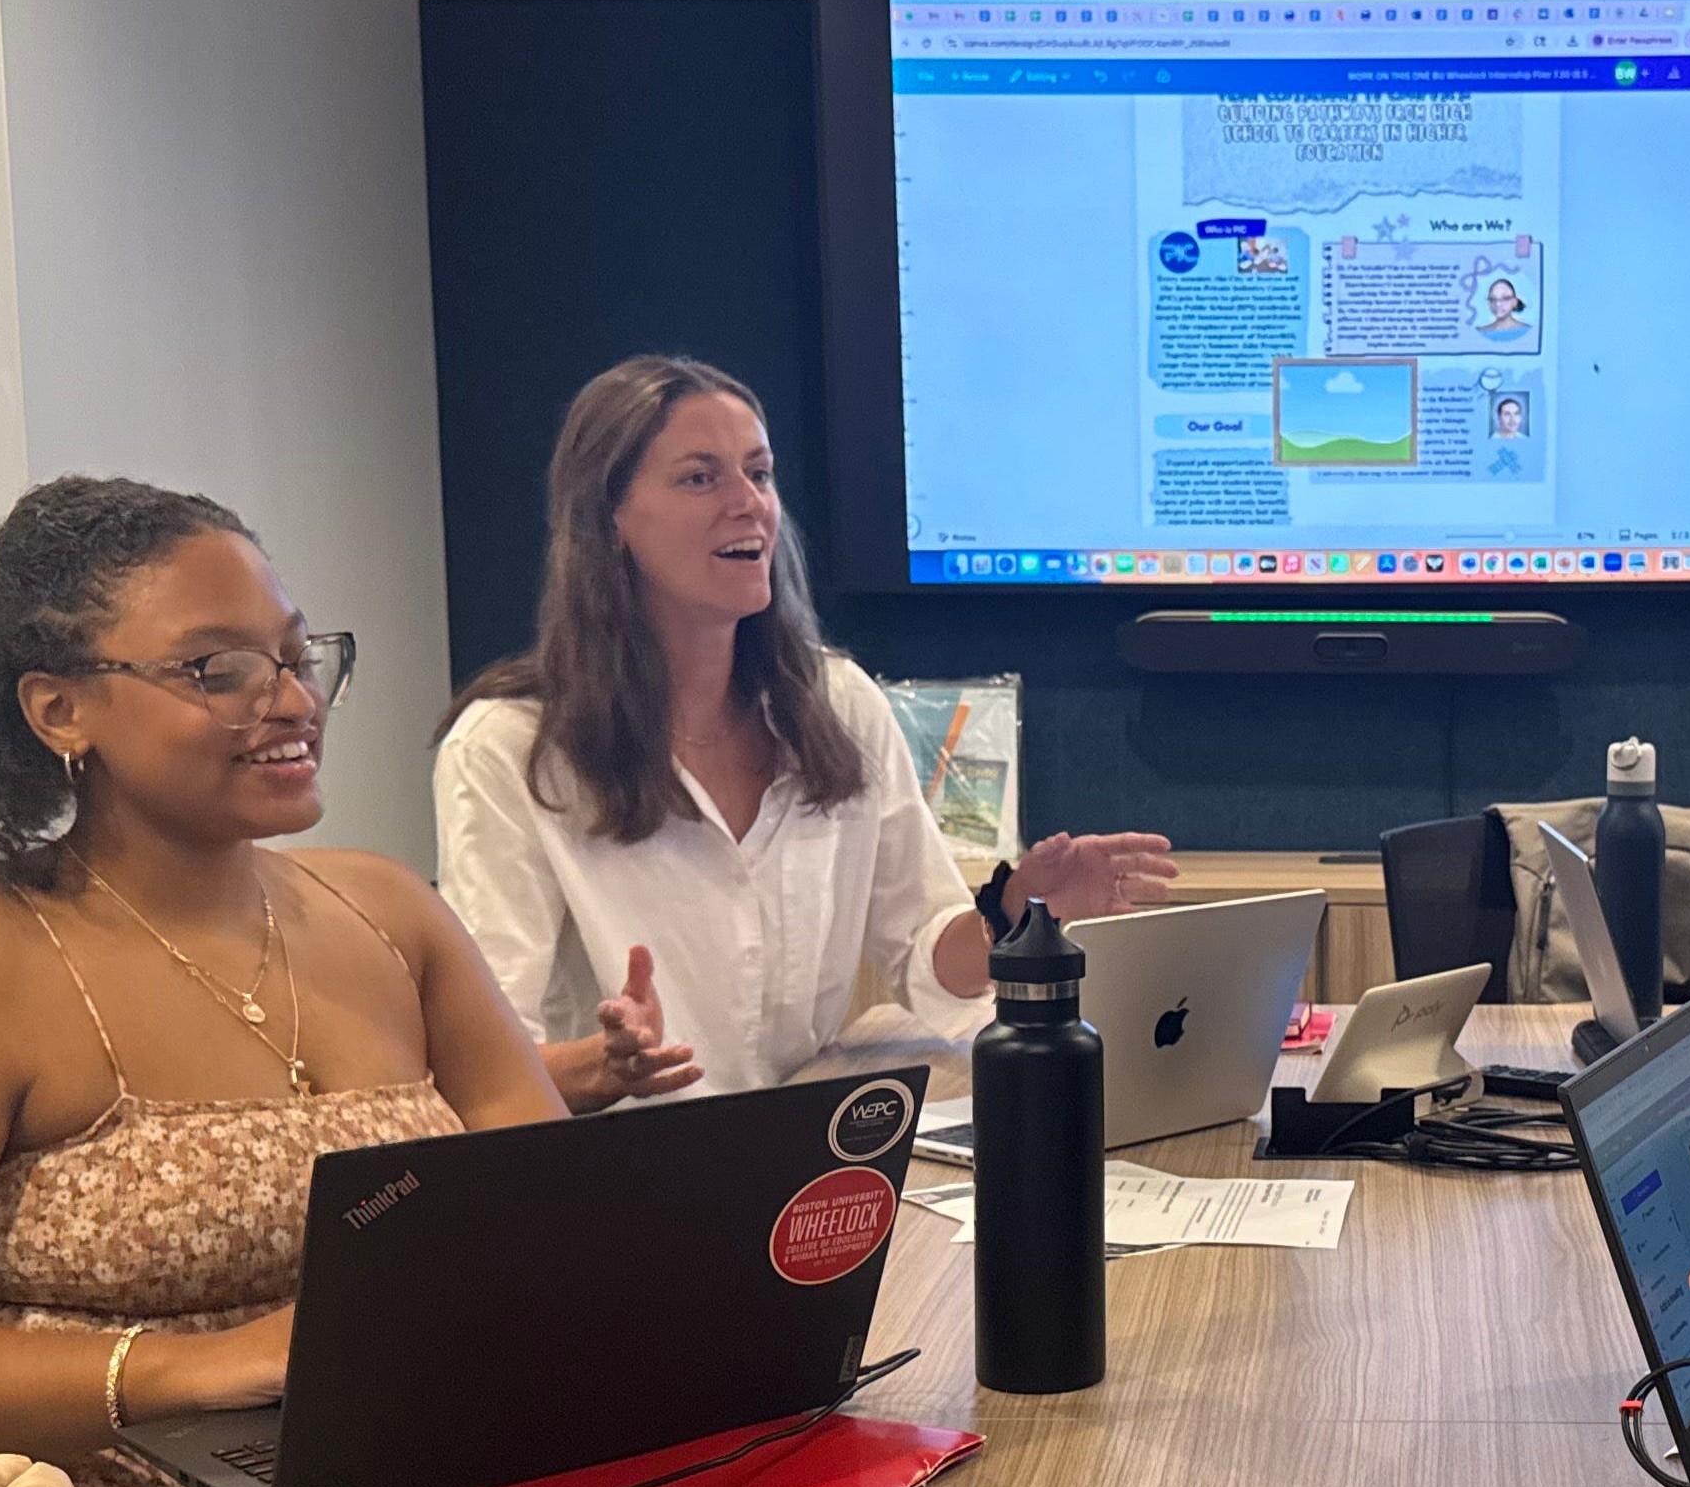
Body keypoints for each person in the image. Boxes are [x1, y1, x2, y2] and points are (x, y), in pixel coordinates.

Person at [0, 477, 571, 1487]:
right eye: (215, 669)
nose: (290, 700)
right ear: (60, 711)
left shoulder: (387, 914)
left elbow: (558, 1206)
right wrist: (183, 1369)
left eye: (294, 655)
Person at [438, 355, 1177, 1099]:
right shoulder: (508, 750)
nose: (748, 504)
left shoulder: (838, 704)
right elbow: (484, 1068)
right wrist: (610, 1064)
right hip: (617, 1181)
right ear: (609, 522)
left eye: (759, 474)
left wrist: (1017, 910)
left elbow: (925, 955)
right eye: (701, 478)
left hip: (806, 1167)